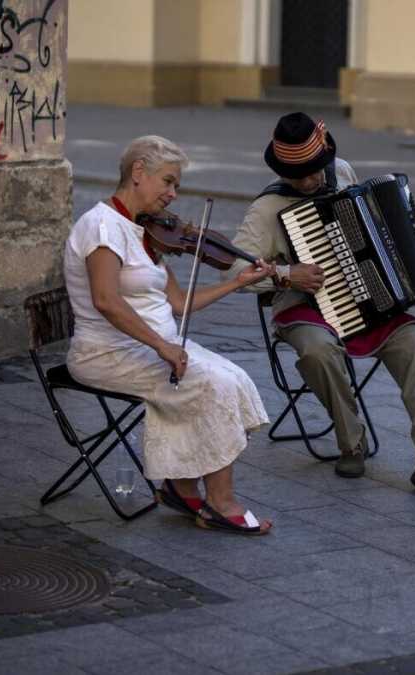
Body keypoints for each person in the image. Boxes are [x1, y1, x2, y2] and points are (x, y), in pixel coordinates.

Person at [225, 112, 415, 496]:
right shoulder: (267, 209)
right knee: (317, 351)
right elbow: (235, 272)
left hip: (367, 300)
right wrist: (286, 274)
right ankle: (351, 440)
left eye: (315, 169)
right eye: (300, 174)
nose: (310, 180)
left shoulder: (341, 171)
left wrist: (413, 228)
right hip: (302, 306)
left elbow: (371, 229)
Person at [64, 135, 277, 535]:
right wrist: (162, 345)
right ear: (138, 172)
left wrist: (238, 282)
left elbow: (178, 304)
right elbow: (106, 300)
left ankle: (181, 487)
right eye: (168, 181)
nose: (173, 194)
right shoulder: (101, 226)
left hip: (152, 348)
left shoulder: (144, 232)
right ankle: (220, 502)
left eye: (176, 184)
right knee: (211, 384)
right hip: (106, 352)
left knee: (234, 376)